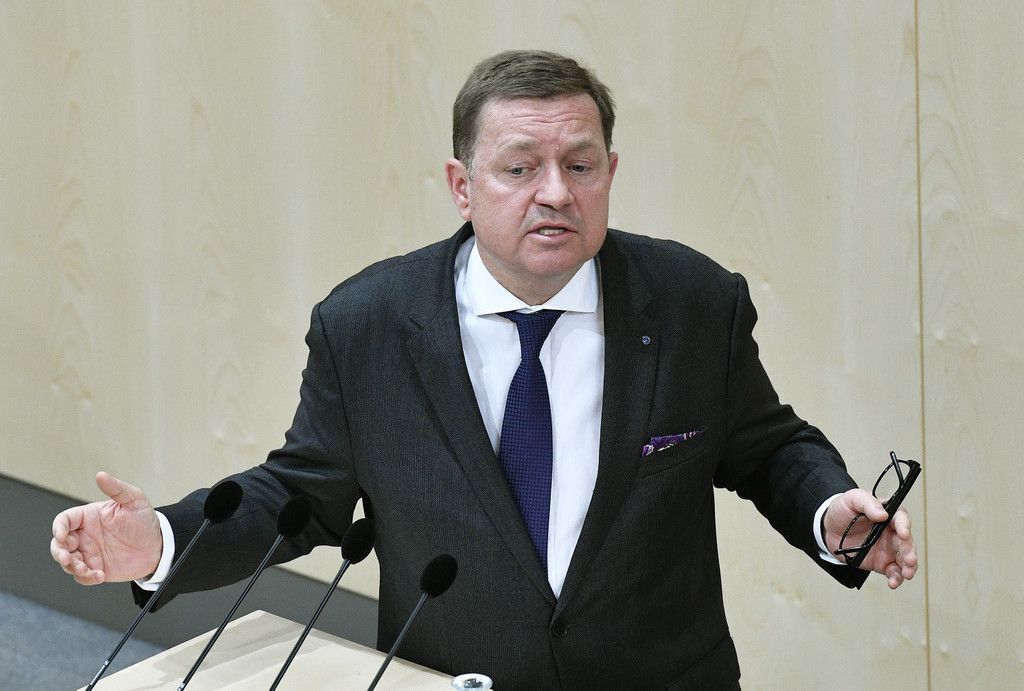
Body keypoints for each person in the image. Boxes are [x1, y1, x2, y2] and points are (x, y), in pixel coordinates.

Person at [50, 50, 917, 689]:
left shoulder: (693, 302)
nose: (556, 192)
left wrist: (829, 509)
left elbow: (767, 447)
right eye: (520, 168)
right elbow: (298, 495)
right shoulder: (368, 326)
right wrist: (161, 541)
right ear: (462, 185)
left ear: (610, 173)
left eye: (580, 165)